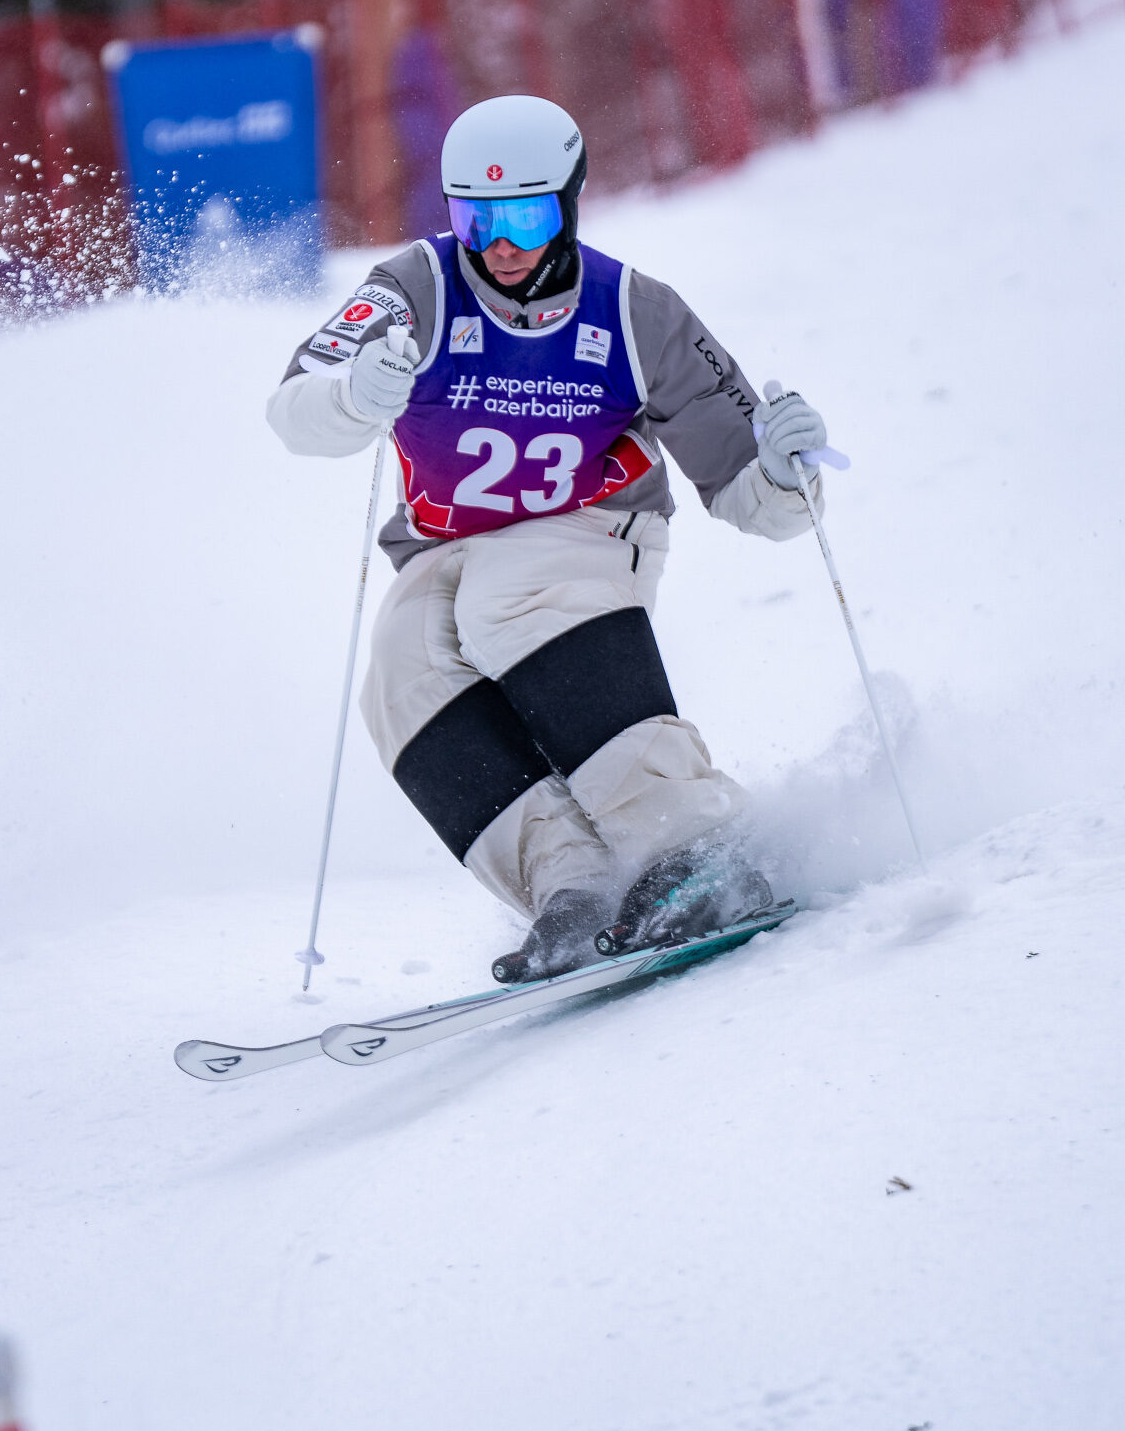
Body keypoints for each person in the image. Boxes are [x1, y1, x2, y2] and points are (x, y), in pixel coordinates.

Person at [268, 94, 829, 983]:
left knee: (514, 591)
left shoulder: (636, 312)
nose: (499, 243)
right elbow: (295, 412)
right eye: (474, 216)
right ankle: (574, 882)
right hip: (444, 545)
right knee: (400, 671)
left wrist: (789, 474)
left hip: (594, 526)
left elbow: (753, 498)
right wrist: (351, 397)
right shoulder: (413, 288)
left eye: (524, 214)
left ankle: (693, 842)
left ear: (567, 203)